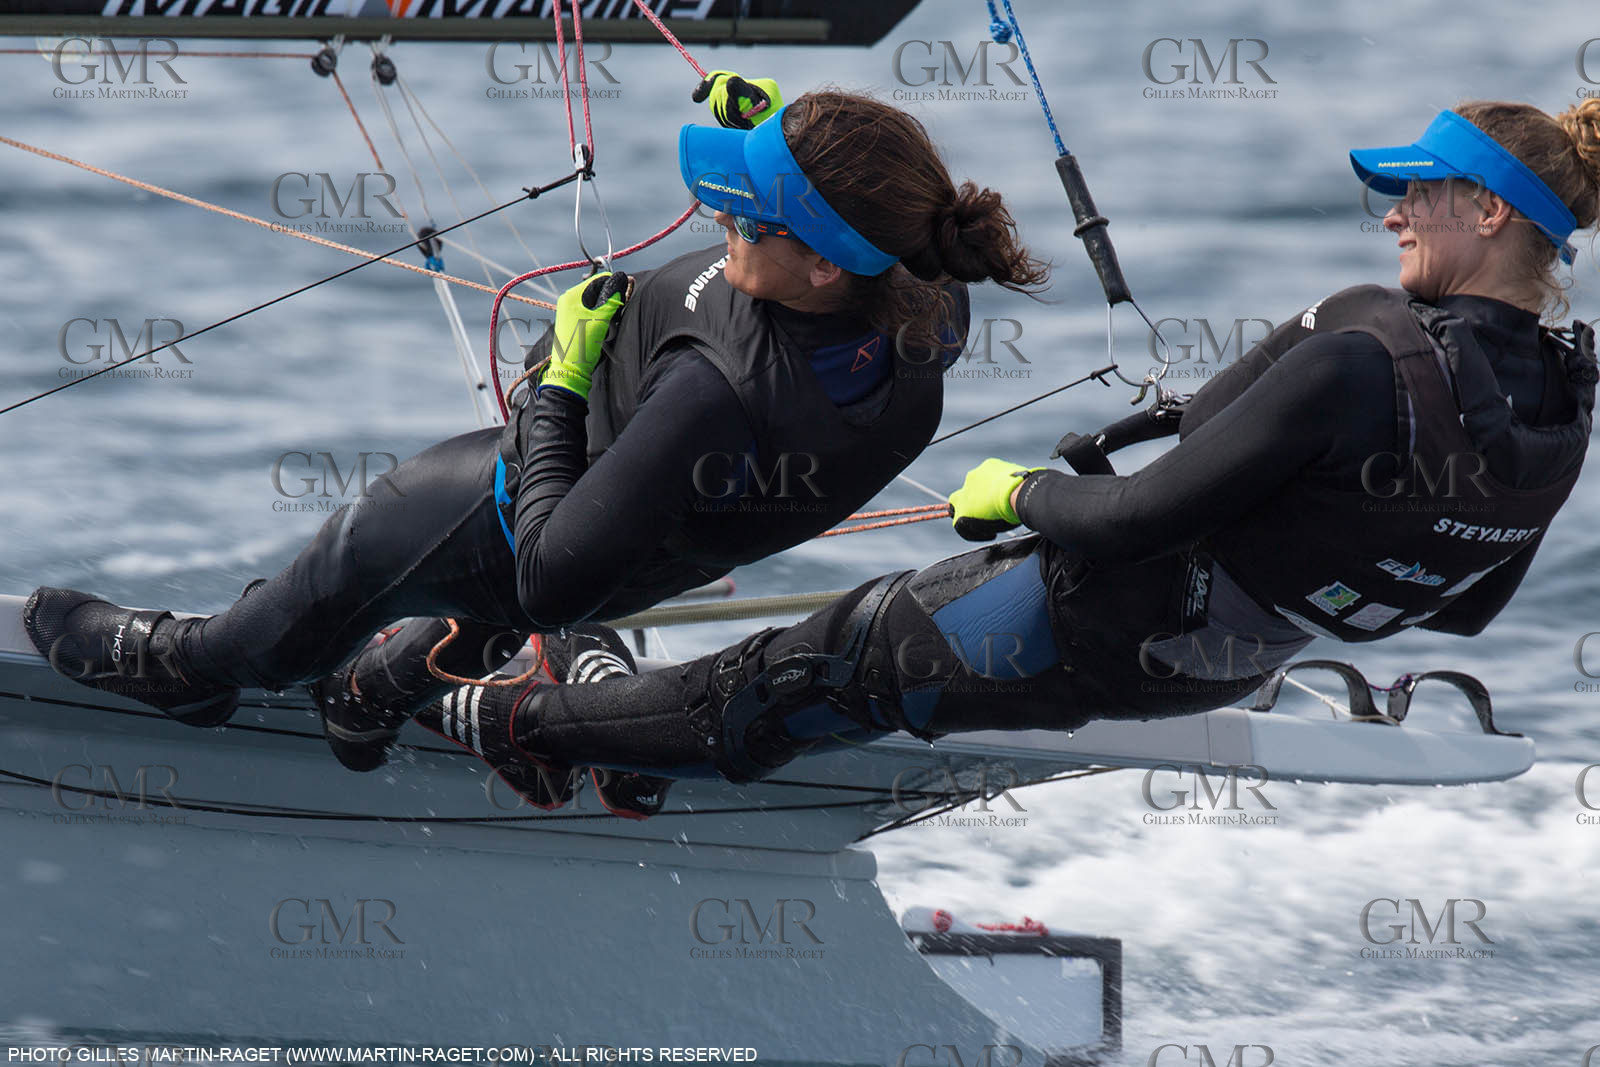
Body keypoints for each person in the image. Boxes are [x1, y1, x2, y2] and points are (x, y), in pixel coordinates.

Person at [415, 99, 1600, 813]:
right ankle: (638, 757)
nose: (1390, 212)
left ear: (1489, 212)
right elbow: (1464, 608)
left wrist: (1019, 489)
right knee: (840, 689)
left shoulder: (1361, 352)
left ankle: (507, 720)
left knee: (792, 677)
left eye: (1415, 193)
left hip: (1084, 610)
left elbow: (1132, 516)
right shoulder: (1561, 397)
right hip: (1207, 665)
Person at [22, 81, 1050, 786]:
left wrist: (555, 384)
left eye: (746, 217)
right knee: (556, 576)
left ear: (823, 263)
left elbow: (549, 581)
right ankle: (375, 693)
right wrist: (774, 126)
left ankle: (191, 670)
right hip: (659, 529)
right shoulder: (924, 293)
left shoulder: (715, 394)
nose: (722, 219)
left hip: (529, 507)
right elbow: (865, 196)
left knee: (349, 558)